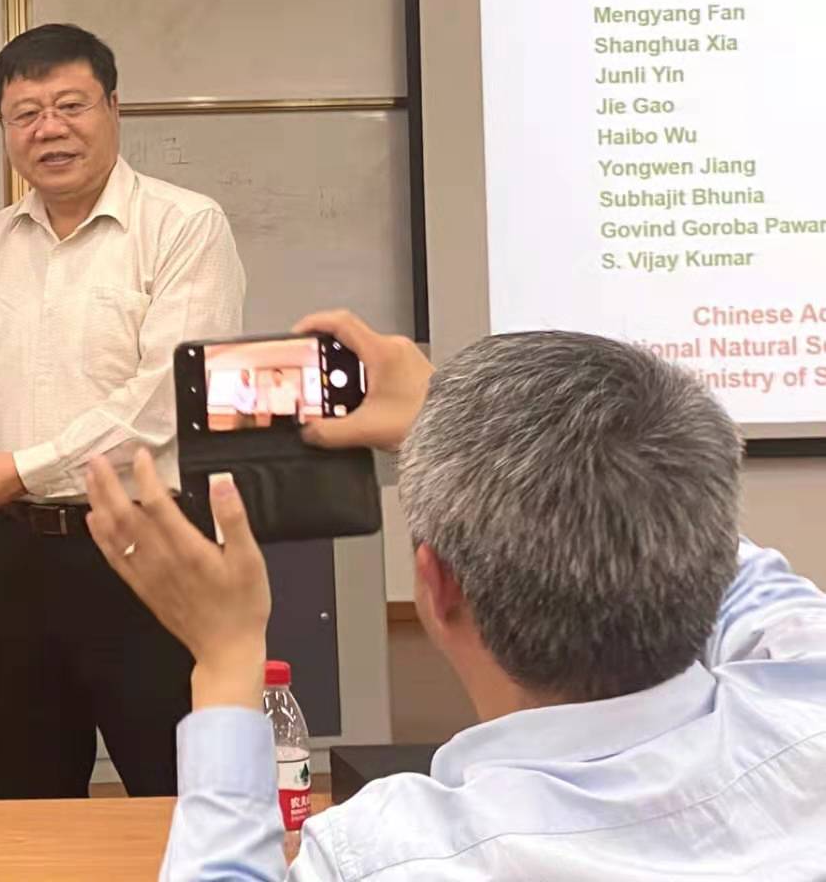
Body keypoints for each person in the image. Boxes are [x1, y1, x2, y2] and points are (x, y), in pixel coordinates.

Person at [84, 309, 826, 880]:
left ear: (436, 586)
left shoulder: (387, 856)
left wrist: (226, 660)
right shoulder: (805, 709)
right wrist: (457, 428)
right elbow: (734, 566)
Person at [0, 23, 246, 799]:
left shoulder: (185, 225)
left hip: (148, 548)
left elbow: (167, 396)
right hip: (18, 556)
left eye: (70, 105)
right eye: (25, 113)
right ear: (4, 129)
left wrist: (25, 467)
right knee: (27, 799)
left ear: (113, 107)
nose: (49, 129)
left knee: (172, 792)